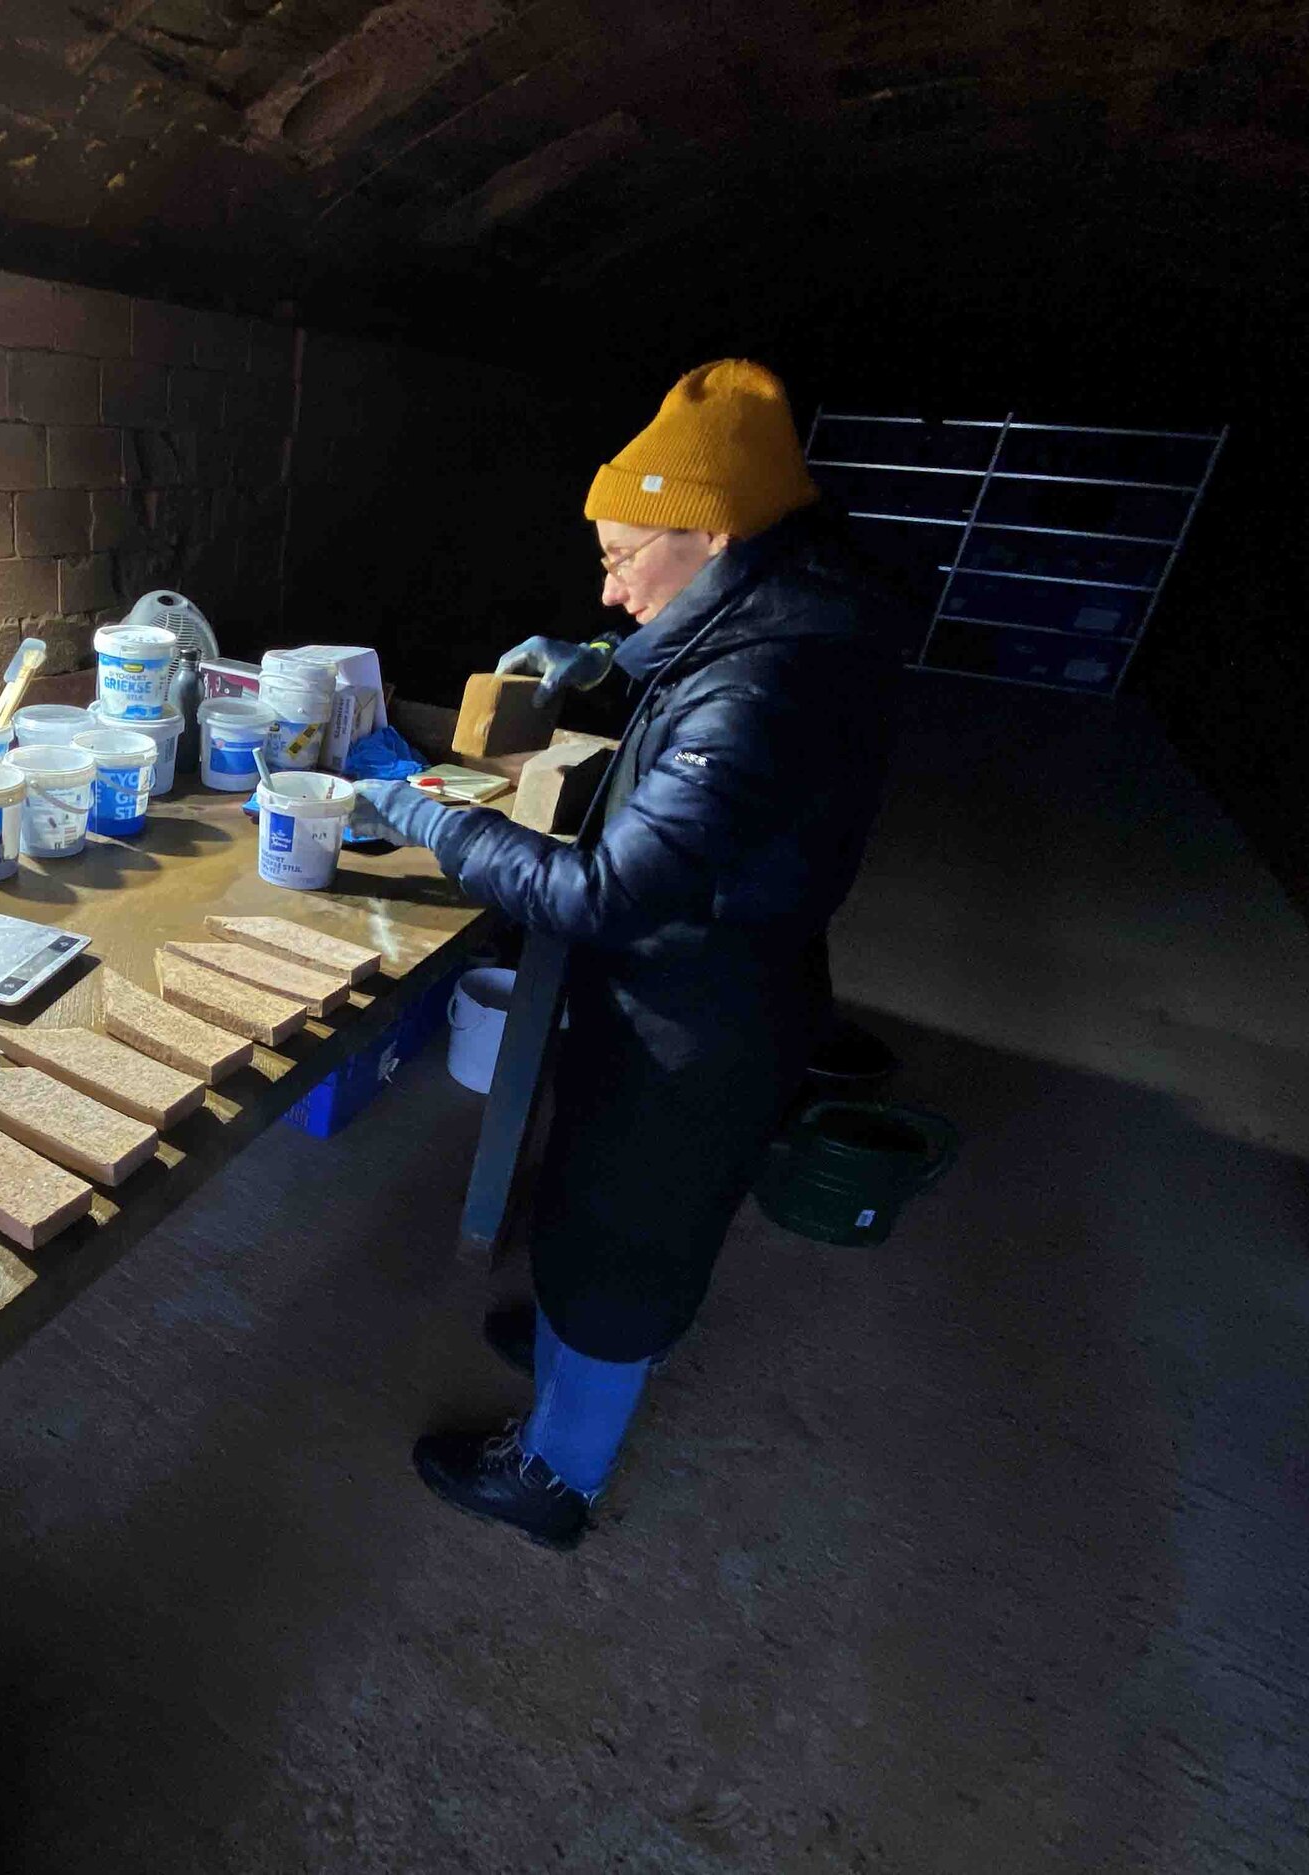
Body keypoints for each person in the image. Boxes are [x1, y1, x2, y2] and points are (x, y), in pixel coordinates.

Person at [352, 360, 911, 1549]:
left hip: (693, 1018)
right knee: (611, 1209)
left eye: (620, 557)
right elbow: (698, 676)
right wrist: (602, 663)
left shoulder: (759, 690)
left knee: (626, 1233)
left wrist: (425, 816)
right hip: (717, 980)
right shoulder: (789, 611)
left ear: (711, 536)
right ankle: (574, 1345)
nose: (607, 589)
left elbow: (601, 894)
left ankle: (554, 1473)